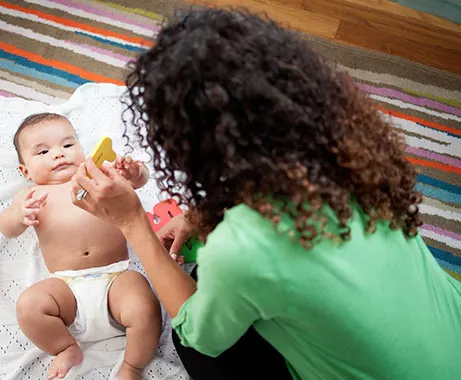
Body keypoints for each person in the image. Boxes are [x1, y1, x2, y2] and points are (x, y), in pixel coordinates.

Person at [69, 8, 461, 380]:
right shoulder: (347, 145)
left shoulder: (238, 250)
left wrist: (132, 221)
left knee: (190, 344)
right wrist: (205, 215)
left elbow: (198, 334)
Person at [0, 113, 161, 380]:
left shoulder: (94, 177)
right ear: (25, 171)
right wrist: (19, 216)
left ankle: (132, 366)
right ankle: (65, 347)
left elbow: (137, 182)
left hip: (115, 279)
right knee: (29, 306)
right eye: (43, 151)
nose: (59, 155)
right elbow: (5, 227)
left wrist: (135, 172)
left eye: (68, 145)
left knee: (144, 306)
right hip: (67, 289)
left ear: (82, 150)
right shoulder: (30, 196)